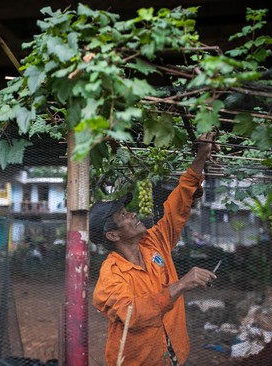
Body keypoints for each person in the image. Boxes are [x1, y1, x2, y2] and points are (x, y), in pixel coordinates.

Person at [90, 131, 220, 366]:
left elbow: (177, 206)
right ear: (112, 234)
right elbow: (133, 314)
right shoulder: (110, 276)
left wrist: (200, 157)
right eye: (123, 215)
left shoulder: (154, 241)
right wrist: (180, 284)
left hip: (175, 356)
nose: (133, 214)